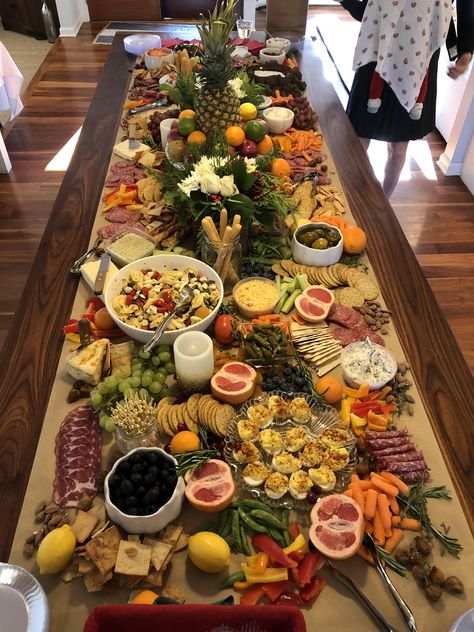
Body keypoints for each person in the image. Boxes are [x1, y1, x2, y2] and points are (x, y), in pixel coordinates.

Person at [336, 0, 474, 197]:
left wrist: (465, 55)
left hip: (419, 62)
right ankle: (341, 197)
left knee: (399, 149)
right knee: (357, 140)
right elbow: (369, 10)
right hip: (377, 53)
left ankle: (384, 205)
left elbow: (467, 11)